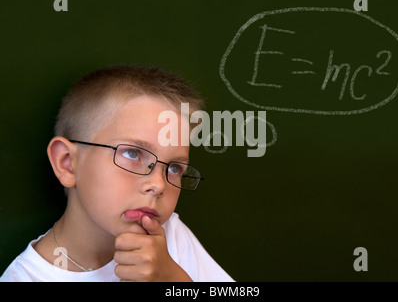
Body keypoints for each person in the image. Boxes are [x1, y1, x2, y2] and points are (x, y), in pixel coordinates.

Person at [0, 65, 233, 282]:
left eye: (173, 168)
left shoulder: (169, 237)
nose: (158, 184)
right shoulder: (26, 278)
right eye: (132, 153)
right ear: (67, 163)